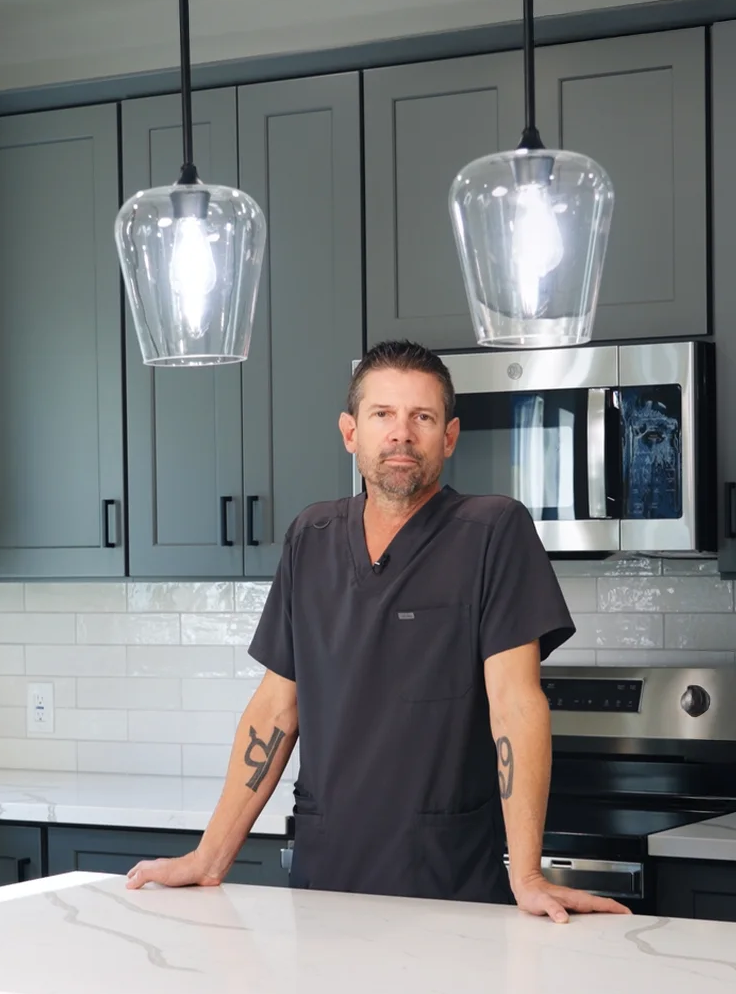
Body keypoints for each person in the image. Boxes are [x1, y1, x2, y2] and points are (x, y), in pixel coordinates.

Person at [127, 340, 630, 922]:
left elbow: (515, 703)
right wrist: (210, 857)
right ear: (350, 432)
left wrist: (528, 874)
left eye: (422, 417)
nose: (402, 434)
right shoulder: (310, 537)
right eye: (383, 415)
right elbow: (275, 708)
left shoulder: (493, 532)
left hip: (450, 884)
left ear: (449, 436)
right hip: (326, 884)